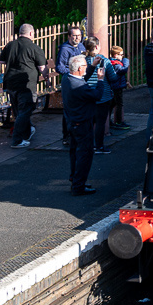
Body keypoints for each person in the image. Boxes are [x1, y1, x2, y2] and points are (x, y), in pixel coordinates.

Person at [0, 23, 44, 148]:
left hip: (11, 83)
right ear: (30, 33)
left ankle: (27, 132)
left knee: (18, 111)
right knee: (25, 111)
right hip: (26, 84)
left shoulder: (10, 45)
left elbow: (1, 61)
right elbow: (41, 67)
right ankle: (17, 140)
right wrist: (46, 78)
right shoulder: (33, 47)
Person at [62, 55, 98, 195]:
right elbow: (97, 95)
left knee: (75, 152)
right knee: (85, 154)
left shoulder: (67, 78)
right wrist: (100, 80)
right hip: (82, 122)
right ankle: (79, 185)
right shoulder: (79, 87)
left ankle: (75, 179)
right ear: (78, 68)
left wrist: (93, 66)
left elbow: (81, 78)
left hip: (72, 121)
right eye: (85, 66)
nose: (86, 69)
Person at [85, 38, 115, 154]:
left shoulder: (83, 60)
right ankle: (99, 146)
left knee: (89, 122)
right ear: (97, 47)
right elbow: (113, 78)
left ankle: (89, 145)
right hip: (103, 95)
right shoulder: (105, 61)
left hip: (88, 95)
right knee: (100, 123)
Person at [107, 45, 131, 130]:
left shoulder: (113, 62)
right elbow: (123, 70)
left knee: (112, 104)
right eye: (121, 55)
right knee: (119, 104)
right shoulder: (115, 63)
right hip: (117, 87)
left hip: (116, 86)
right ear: (115, 55)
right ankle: (118, 121)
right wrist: (126, 61)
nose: (122, 56)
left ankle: (110, 121)